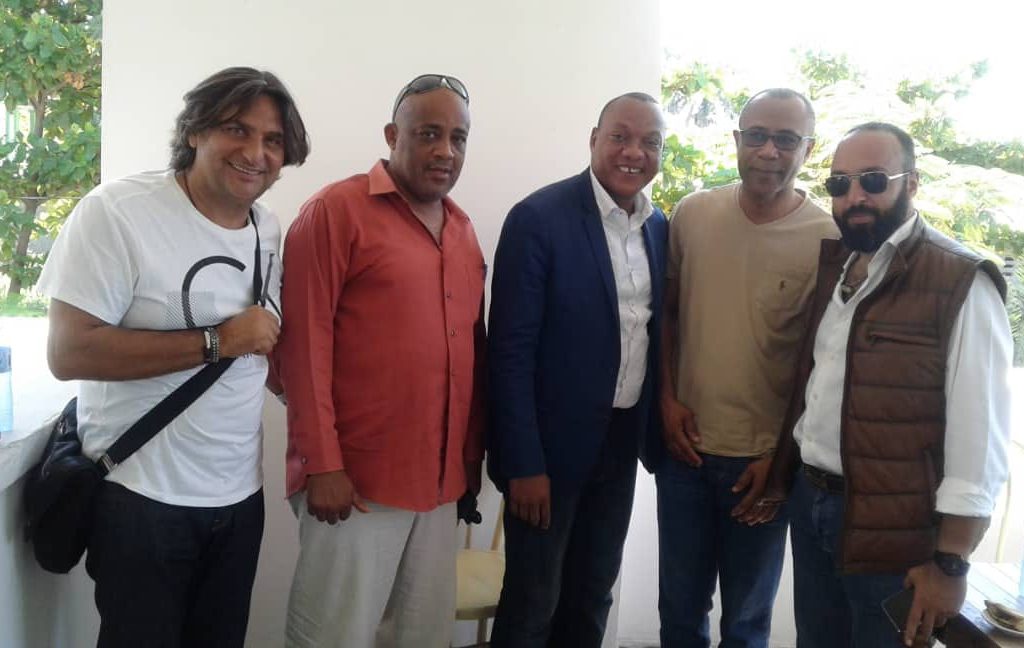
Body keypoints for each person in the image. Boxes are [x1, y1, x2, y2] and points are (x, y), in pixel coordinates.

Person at [36, 66, 310, 647]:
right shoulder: (118, 212)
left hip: (238, 496)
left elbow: (261, 343)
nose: (255, 153)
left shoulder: (267, 229)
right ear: (194, 130)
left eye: (273, 140)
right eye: (237, 129)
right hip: (140, 494)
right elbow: (69, 351)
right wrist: (217, 341)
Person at [761, 122, 1011, 647]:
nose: (855, 197)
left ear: (911, 183)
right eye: (840, 183)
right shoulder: (840, 267)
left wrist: (951, 562)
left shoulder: (959, 281)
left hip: (898, 537)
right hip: (814, 505)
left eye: (874, 180)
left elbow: (979, 437)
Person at [276, 74, 486, 648]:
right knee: (333, 637)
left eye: (458, 138)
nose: (445, 151)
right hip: (354, 485)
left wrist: (469, 461)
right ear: (393, 136)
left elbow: (470, 354)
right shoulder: (336, 211)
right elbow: (300, 349)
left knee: (421, 636)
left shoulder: (464, 231)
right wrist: (322, 464)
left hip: (440, 486)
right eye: (428, 134)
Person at [656, 88, 837, 647]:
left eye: (786, 140)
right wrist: (665, 399)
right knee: (679, 615)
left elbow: (822, 362)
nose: (768, 151)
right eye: (756, 136)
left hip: (760, 466)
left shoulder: (829, 238)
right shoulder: (692, 214)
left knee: (746, 623)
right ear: (737, 140)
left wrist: (780, 462)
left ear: (808, 149)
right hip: (684, 452)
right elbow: (667, 316)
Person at [487, 92, 668, 647]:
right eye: (620, 137)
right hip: (548, 453)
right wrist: (523, 464)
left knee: (592, 597)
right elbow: (509, 352)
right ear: (594, 140)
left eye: (650, 142)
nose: (634, 152)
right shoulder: (538, 218)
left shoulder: (658, 226)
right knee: (533, 603)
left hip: (620, 442)